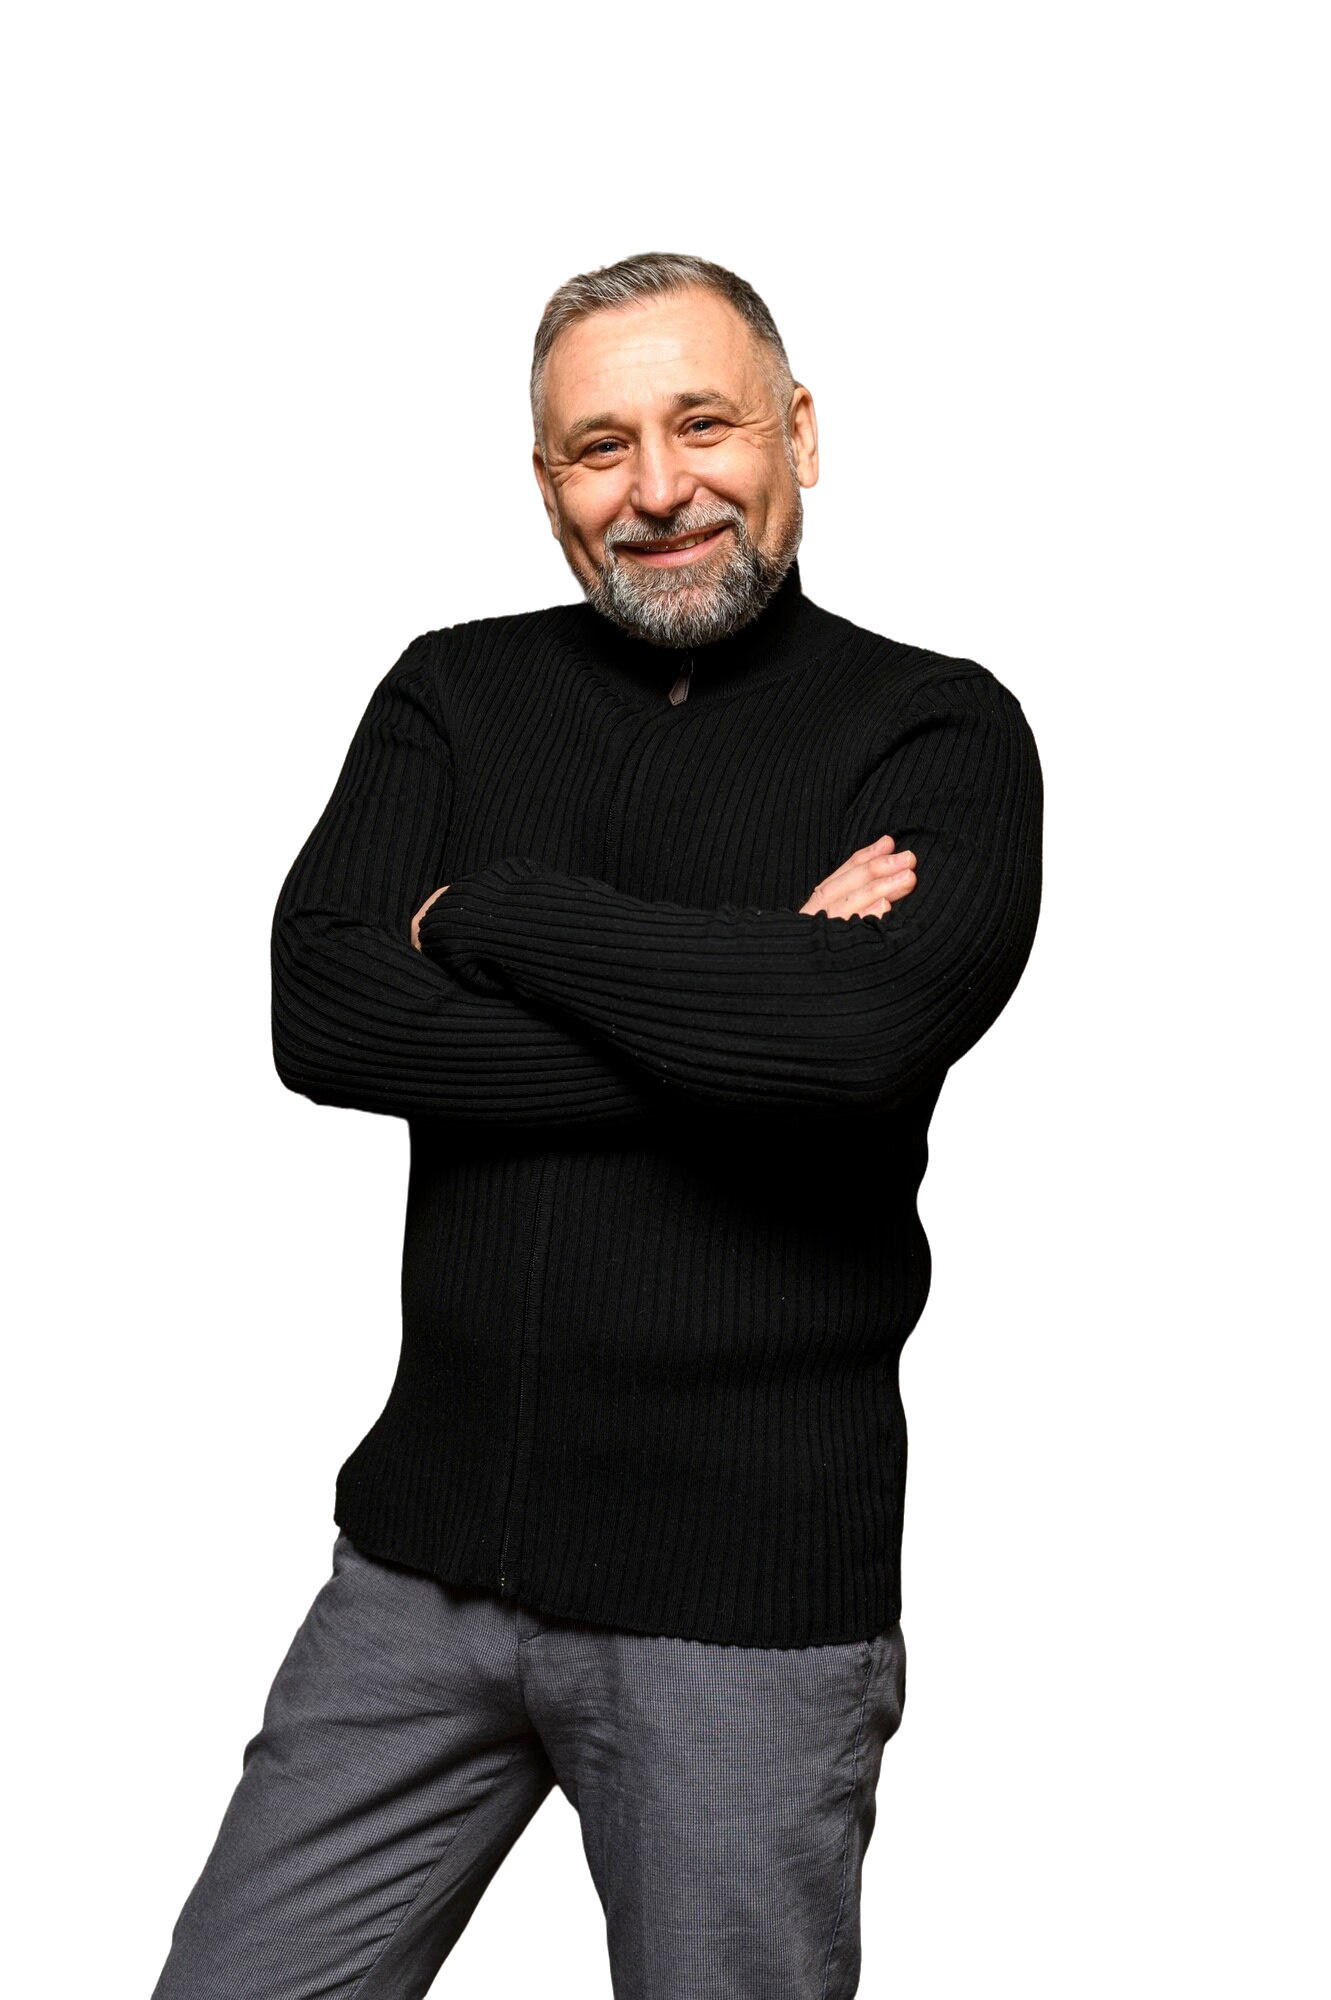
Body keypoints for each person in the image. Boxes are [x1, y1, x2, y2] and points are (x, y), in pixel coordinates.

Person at [149, 246, 1049, 1999]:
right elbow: (321, 1019)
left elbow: (855, 1036)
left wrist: (483, 913)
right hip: (412, 1571)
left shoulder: (940, 721)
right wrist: (743, 1002)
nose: (656, 489)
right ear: (542, 489)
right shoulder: (448, 683)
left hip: (740, 1607)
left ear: (802, 433)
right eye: (597, 447)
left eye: (703, 425)